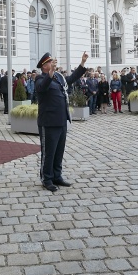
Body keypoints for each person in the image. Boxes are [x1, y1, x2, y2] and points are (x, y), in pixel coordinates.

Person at [34, 51, 88, 192]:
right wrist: (51, 73)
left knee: (59, 151)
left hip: (61, 119)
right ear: (44, 66)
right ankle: (46, 178)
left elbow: (71, 79)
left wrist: (82, 63)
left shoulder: (58, 77)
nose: (53, 64)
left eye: (53, 62)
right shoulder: (40, 78)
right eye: (50, 62)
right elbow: (42, 87)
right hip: (48, 121)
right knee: (48, 152)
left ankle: (57, 176)